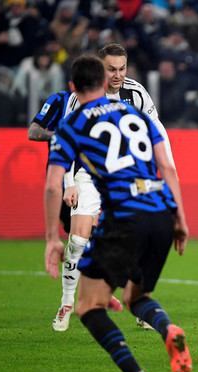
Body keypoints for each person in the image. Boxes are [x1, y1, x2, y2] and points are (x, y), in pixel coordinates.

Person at [44, 55, 191, 372]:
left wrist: (52, 237)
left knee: (89, 306)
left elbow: (53, 186)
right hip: (160, 211)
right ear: (105, 80)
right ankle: (168, 329)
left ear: (72, 88)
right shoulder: (136, 114)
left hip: (125, 215)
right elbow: (167, 166)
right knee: (135, 297)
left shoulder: (73, 122)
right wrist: (180, 218)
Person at [54, 43, 176, 332]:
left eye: (122, 68)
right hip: (88, 176)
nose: (118, 74)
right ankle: (67, 303)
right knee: (78, 241)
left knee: (137, 239)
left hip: (127, 180)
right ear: (100, 68)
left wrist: (168, 169)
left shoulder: (136, 92)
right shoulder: (81, 96)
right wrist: (68, 184)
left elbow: (158, 131)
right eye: (112, 69)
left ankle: (140, 305)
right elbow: (68, 139)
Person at [28, 89, 125, 331]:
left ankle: (80, 299)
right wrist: (61, 138)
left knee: (89, 239)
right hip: (66, 179)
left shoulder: (119, 101)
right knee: (77, 243)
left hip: (101, 178)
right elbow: (34, 132)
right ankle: (77, 298)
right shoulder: (63, 100)